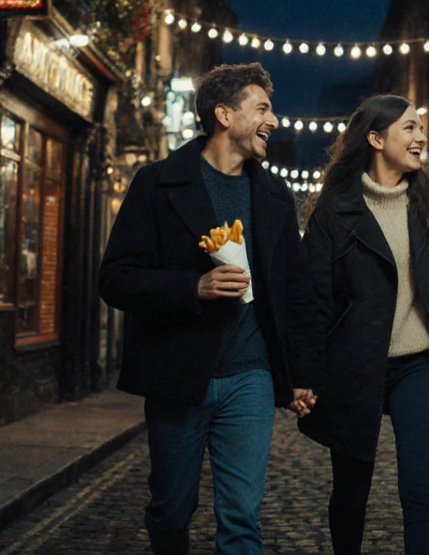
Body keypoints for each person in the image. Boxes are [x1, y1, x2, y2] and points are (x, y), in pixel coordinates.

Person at [99, 63, 315, 555]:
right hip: (179, 371)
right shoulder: (157, 183)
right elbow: (115, 278)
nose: (274, 120)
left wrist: (301, 373)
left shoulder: (275, 196)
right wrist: (192, 287)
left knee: (242, 520)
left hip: (251, 378)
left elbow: (297, 291)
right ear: (223, 114)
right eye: (262, 108)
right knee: (171, 510)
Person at [286, 95, 429, 555]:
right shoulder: (335, 212)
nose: (421, 138)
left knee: (421, 493)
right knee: (351, 494)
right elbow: (313, 300)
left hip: (421, 366)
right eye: (410, 129)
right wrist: (304, 376)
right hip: (353, 366)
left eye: (421, 128)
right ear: (376, 139)